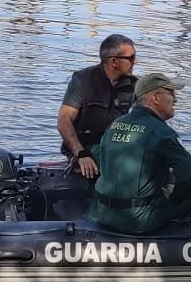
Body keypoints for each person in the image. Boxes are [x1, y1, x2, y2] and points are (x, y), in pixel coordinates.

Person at [88, 73, 191, 235]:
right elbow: (189, 174)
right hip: (137, 220)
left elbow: (99, 154)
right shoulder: (161, 131)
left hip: (101, 213)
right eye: (171, 93)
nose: (175, 100)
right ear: (155, 98)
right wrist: (174, 197)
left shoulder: (116, 123)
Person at [58, 34, 139, 179]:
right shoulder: (83, 80)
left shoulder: (134, 86)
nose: (135, 62)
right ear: (114, 62)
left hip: (115, 150)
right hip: (83, 149)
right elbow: (64, 121)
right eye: (131, 58)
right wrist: (81, 154)